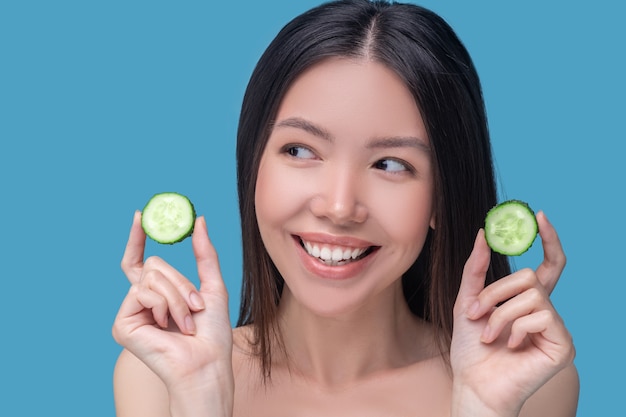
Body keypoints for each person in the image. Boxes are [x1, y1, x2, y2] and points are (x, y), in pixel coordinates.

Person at [112, 1, 579, 416]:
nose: (339, 207)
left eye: (391, 164)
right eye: (299, 151)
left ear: (443, 195)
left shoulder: (529, 385)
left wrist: (482, 409)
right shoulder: (159, 375)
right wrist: (202, 399)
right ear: (253, 166)